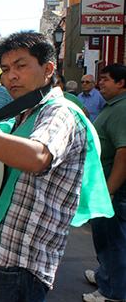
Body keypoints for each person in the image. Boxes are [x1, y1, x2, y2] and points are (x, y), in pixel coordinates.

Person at [0, 32, 109, 302]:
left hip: (21, 264)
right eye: (5, 69)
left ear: (48, 69)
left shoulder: (59, 112)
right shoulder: (25, 113)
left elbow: (37, 157)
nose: (11, 77)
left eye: (21, 66)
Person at [82, 64, 126, 302]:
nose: (101, 84)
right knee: (106, 239)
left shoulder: (122, 110)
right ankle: (105, 276)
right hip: (105, 187)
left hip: (113, 192)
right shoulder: (113, 106)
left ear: (121, 83)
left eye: (106, 80)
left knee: (113, 242)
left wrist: (108, 191)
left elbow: (123, 154)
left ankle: (113, 292)